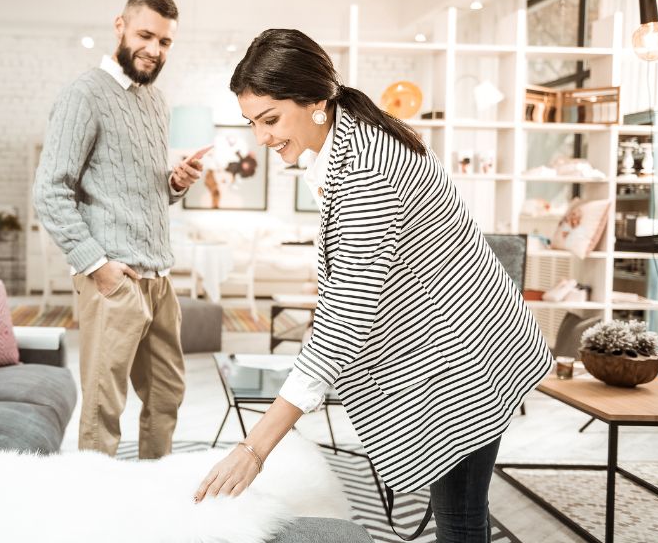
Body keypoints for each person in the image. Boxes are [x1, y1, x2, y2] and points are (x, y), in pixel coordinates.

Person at [194, 29, 553, 543]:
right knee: (458, 505)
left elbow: (346, 314)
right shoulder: (345, 140)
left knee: (460, 514)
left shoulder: (369, 166)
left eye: (270, 119)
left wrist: (255, 447)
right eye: (253, 122)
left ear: (315, 101)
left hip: (470, 354)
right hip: (454, 343)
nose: (261, 138)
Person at [33, 0, 205, 459]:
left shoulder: (156, 102)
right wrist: (97, 266)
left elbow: (140, 192)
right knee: (104, 407)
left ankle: (153, 491)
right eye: (146, 35)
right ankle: (96, 512)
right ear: (120, 27)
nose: (154, 49)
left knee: (167, 396)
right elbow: (49, 191)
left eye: (165, 41)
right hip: (113, 280)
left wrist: (176, 183)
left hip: (159, 279)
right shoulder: (84, 95)